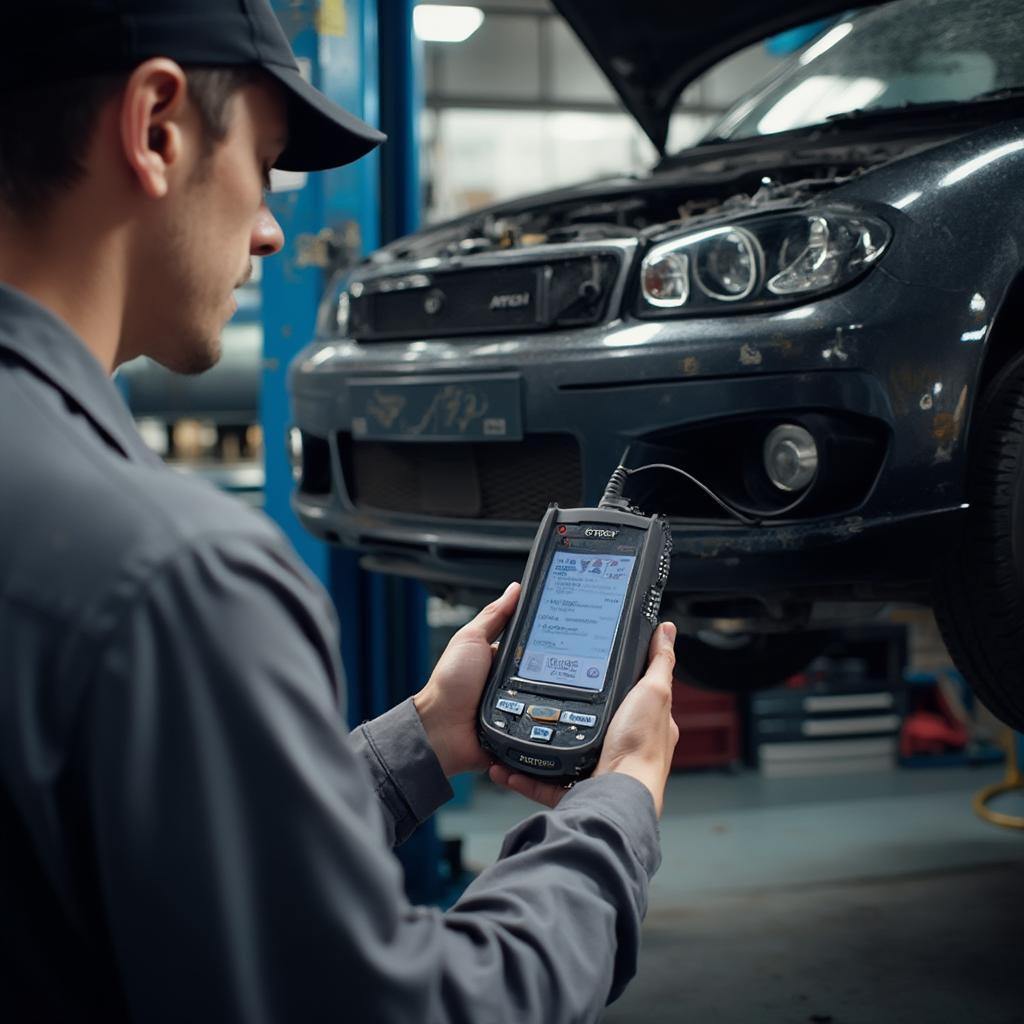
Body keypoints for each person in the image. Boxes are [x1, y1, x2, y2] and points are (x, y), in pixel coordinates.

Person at [0, 2, 680, 1021]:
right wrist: (615, 806)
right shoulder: (178, 576)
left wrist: (427, 734)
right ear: (155, 129)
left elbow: (171, 863)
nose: (273, 227)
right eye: (266, 163)